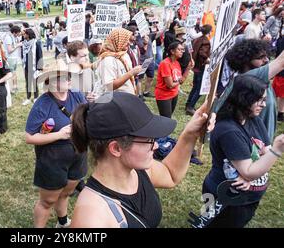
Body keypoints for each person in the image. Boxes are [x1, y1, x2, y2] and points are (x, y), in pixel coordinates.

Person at [70, 91, 215, 228]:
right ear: (116, 148)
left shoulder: (137, 171)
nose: (156, 145)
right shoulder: (91, 217)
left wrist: (190, 134)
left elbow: (171, 174)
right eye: (149, 140)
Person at [203, 75, 284, 228]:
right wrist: (277, 149)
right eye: (259, 100)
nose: (264, 105)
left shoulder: (253, 118)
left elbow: (264, 151)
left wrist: (251, 171)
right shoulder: (229, 130)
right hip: (226, 198)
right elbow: (249, 171)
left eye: (264, 100)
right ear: (243, 99)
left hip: (246, 198)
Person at [25, 60, 88, 228]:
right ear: (50, 81)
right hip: (52, 160)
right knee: (47, 201)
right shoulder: (42, 104)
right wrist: (59, 135)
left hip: (78, 156)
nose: (68, 79)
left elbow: (86, 117)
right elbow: (29, 137)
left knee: (66, 194)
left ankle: (62, 222)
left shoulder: (77, 95)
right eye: (62, 77)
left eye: (68, 76)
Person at [218, 39, 284, 143]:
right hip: (253, 147)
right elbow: (281, 62)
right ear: (245, 61)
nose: (266, 60)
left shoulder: (261, 80)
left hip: (262, 144)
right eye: (260, 57)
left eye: (267, 56)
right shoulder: (250, 77)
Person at [97, 28, 143, 95]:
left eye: (129, 40)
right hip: (117, 101)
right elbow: (109, 86)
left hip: (127, 98)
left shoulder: (123, 54)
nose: (129, 43)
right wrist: (131, 73)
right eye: (125, 40)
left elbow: (125, 74)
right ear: (117, 41)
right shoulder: (107, 60)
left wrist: (135, 71)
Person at [155, 41, 194, 118]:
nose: (182, 52)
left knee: (168, 117)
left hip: (174, 94)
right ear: (172, 51)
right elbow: (170, 85)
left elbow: (181, 81)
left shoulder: (177, 63)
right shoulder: (165, 64)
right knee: (166, 119)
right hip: (164, 95)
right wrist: (178, 82)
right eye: (179, 49)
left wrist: (188, 68)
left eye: (182, 50)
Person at [185, 24, 212, 115]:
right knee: (199, 88)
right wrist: (206, 60)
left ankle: (189, 104)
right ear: (209, 32)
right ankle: (190, 106)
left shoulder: (197, 39)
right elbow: (202, 53)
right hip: (200, 67)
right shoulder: (205, 41)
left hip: (195, 66)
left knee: (195, 86)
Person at [22, 28, 43, 106]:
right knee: (28, 83)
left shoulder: (36, 42)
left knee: (34, 83)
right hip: (26, 66)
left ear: (28, 34)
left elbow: (40, 55)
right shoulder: (24, 43)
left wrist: (39, 68)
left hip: (34, 66)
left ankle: (36, 97)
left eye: (24, 34)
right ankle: (28, 98)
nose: (23, 35)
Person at [4, 25, 23, 93]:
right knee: (10, 74)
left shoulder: (14, 37)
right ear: (14, 32)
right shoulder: (8, 38)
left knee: (13, 73)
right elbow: (9, 50)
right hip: (10, 58)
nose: (19, 34)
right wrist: (17, 45)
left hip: (14, 58)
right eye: (18, 33)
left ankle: (14, 87)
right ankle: (12, 88)